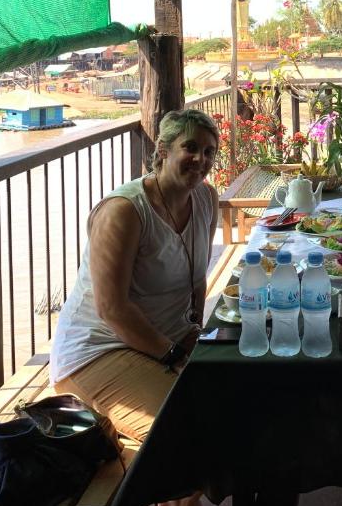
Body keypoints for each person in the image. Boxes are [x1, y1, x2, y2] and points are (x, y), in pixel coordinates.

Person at [50, 109, 219, 456]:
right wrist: (172, 355)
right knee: (187, 432)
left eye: (209, 152)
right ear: (163, 152)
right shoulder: (124, 210)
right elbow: (112, 309)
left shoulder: (205, 199)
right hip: (98, 352)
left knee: (233, 408)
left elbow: (197, 279)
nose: (200, 159)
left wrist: (194, 333)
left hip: (164, 344)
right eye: (190, 148)